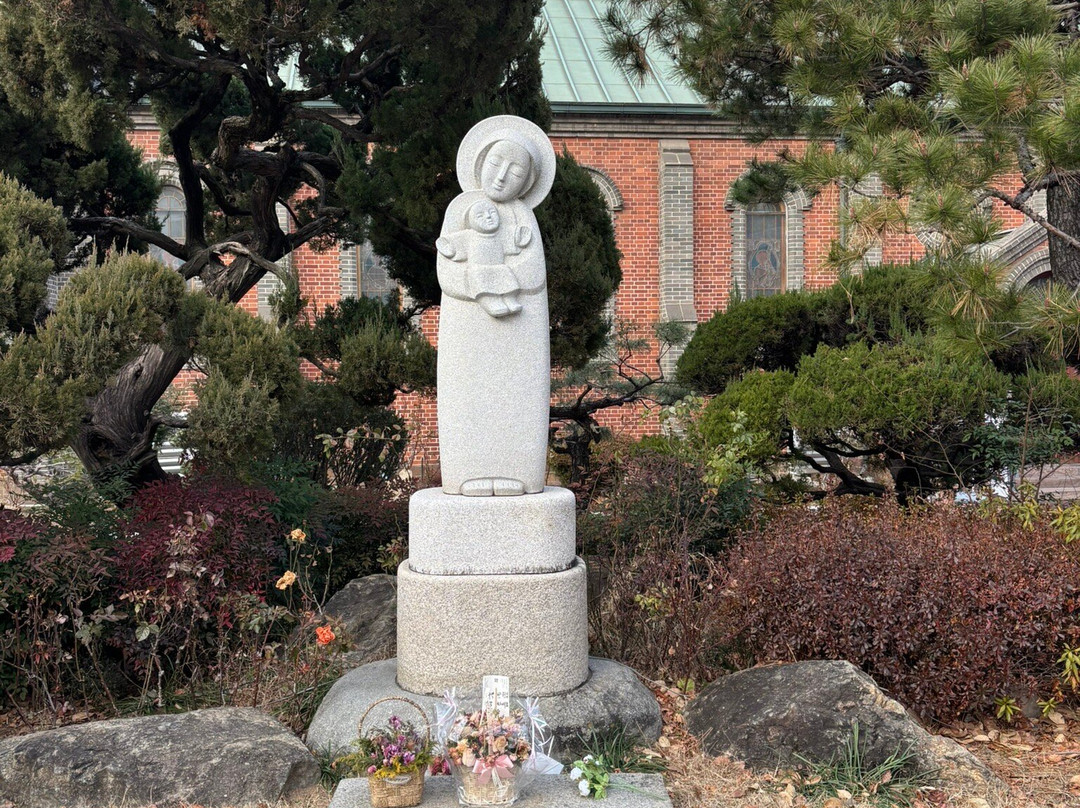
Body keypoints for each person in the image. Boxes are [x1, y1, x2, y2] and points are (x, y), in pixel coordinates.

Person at [435, 117, 555, 496]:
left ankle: (519, 471)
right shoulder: (460, 208)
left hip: (521, 331)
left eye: (515, 171)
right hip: (466, 328)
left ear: (528, 181)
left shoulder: (523, 216)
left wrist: (495, 275)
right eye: (495, 163)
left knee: (518, 396)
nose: (502, 177)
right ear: (480, 162)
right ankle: (466, 471)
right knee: (466, 395)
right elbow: (447, 270)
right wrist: (481, 282)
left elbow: (533, 275)